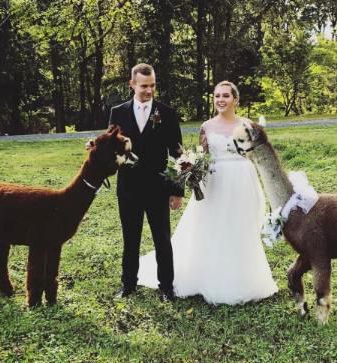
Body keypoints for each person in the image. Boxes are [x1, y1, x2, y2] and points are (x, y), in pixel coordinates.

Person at [138, 81, 278, 305]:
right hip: (215, 182)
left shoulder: (249, 125)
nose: (220, 100)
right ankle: (209, 275)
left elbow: (259, 157)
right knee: (212, 227)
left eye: (225, 96)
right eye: (216, 96)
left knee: (240, 227)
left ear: (236, 100)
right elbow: (201, 157)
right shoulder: (207, 126)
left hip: (243, 181)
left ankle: (242, 277)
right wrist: (191, 170)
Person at [109, 63, 183, 302]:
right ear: (131, 84)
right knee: (130, 238)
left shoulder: (167, 113)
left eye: (152, 85)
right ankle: (128, 284)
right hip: (128, 188)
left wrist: (177, 190)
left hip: (158, 188)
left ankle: (167, 287)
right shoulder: (117, 112)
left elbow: (178, 154)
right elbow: (113, 148)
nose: (149, 90)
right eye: (144, 86)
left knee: (162, 239)